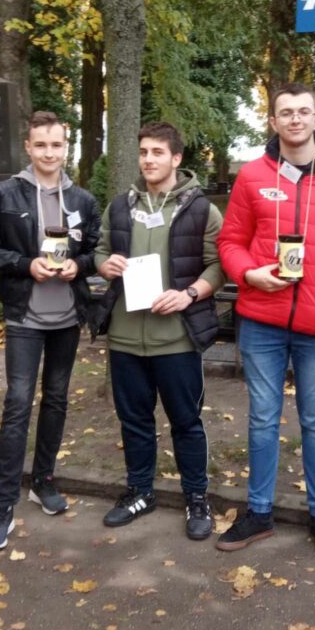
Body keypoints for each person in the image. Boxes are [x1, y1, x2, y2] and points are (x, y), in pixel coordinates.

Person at [216, 83, 315, 565]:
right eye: (286, 112)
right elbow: (230, 241)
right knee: (262, 418)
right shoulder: (252, 175)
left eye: (304, 111)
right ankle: (259, 511)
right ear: (273, 121)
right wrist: (248, 274)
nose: (296, 119)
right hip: (262, 320)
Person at [92, 121, 224, 540]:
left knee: (186, 421)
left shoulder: (201, 210)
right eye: (144, 152)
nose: (148, 160)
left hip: (177, 338)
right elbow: (99, 250)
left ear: (176, 158)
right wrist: (104, 265)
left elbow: (218, 266)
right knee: (134, 420)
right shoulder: (119, 207)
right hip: (125, 336)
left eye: (157, 152)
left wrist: (188, 295)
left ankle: (196, 497)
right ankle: (140, 492)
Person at [0, 111, 100, 550]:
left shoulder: (82, 199)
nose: (49, 152)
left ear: (66, 147)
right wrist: (25, 264)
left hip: (66, 318)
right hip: (24, 317)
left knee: (57, 400)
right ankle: (2, 504)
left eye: (57, 145)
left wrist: (78, 266)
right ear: (28, 147)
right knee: (17, 404)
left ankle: (43, 480)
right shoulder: (5, 193)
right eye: (41, 145)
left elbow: (96, 251)